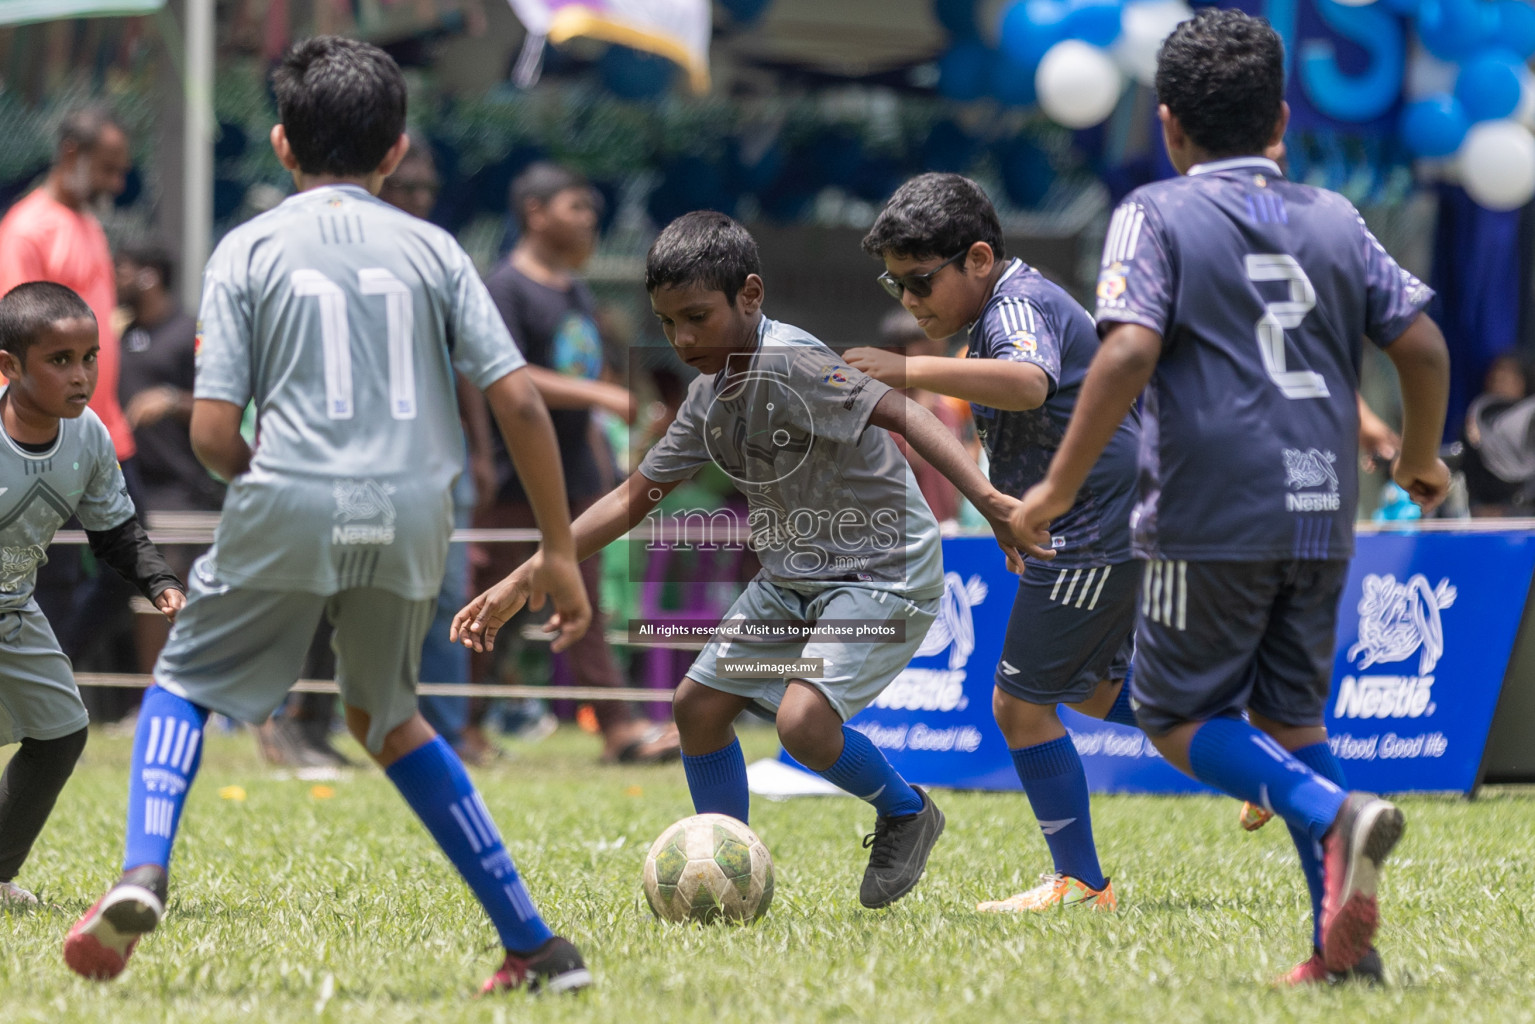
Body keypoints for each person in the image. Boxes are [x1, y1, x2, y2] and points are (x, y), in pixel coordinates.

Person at [64, 37, 594, 996]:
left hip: (289, 489)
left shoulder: (249, 249)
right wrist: (557, 549)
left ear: (279, 143)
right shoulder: (435, 248)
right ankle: (537, 946)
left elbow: (218, 435)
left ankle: (144, 868)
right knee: (388, 717)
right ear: (395, 152)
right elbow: (517, 402)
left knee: (182, 682)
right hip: (417, 506)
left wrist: (277, 482)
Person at [1011, 9, 1450, 984]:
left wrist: (1053, 485)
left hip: (1207, 512)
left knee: (1171, 714)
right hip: (1319, 509)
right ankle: (1345, 955)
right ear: (1280, 118)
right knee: (1292, 725)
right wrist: (1418, 456)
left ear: (1166, 125)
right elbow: (1418, 343)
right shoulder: (1334, 217)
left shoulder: (1153, 213)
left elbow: (1124, 348)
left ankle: (1333, 816)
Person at [454, 210, 1023, 909]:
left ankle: (906, 811)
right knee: (697, 707)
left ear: (749, 296)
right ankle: (728, 872)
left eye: (697, 316)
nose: (683, 338)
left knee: (802, 724)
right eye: (667, 325)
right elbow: (634, 498)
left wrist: (990, 502)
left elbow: (903, 413)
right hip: (790, 582)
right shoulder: (705, 399)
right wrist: (530, 570)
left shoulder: (796, 362)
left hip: (882, 573)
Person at [847, 172, 1143, 912]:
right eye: (896, 288)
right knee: (1095, 688)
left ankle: (1081, 882)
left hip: (1095, 524)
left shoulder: (1015, 304)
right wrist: (1002, 512)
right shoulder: (998, 308)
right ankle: (1251, 727)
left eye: (920, 282)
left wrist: (906, 368)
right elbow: (1020, 425)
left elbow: (1026, 384)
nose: (911, 303)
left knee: (1018, 705)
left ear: (977, 258)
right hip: (1085, 519)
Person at [475, 161, 678, 764]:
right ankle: (457, 724)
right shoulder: (504, 287)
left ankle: (618, 728)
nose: (590, 219)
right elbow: (504, 373)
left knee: (582, 601)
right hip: (516, 479)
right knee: (492, 601)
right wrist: (600, 395)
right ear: (534, 213)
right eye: (576, 207)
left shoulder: (575, 291)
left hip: (577, 477)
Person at [0, 282, 183, 907]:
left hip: (12, 610)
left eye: (90, 358)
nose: (81, 377)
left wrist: (159, 582)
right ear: (9, 367)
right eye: (60, 361)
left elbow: (115, 529)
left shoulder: (89, 438)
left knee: (61, 732)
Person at [863, 309, 974, 526]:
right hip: (904, 530)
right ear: (894, 351)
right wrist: (924, 398)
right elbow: (912, 462)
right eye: (924, 348)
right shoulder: (883, 408)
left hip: (949, 527)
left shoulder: (946, 409)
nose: (933, 359)